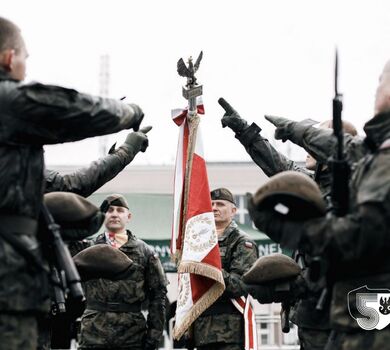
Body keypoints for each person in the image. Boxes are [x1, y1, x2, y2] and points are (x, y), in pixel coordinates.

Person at [0, 16, 145, 350]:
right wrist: (129, 115)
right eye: (24, 57)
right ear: (9, 58)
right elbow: (76, 111)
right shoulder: (10, 102)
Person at [248, 58, 390, 349]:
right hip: (353, 304)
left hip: (367, 299)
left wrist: (302, 232)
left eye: (381, 81)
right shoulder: (369, 157)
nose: (377, 89)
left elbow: (367, 236)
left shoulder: (378, 162)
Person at [219, 98, 358, 349]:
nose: (306, 146)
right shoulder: (310, 183)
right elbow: (275, 163)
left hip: (346, 314)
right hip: (313, 316)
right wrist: (243, 130)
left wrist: (293, 286)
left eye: (314, 139)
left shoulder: (356, 190)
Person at [78, 194, 168, 350]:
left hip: (132, 335)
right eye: (109, 210)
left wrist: (154, 337)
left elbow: (158, 296)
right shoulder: (87, 249)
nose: (114, 214)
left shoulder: (144, 252)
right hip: (93, 333)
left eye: (120, 210)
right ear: (102, 216)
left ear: (129, 216)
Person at [191, 188, 258, 350]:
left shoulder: (242, 242)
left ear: (233, 211)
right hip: (201, 329)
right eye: (211, 204)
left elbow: (240, 285)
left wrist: (208, 268)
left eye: (220, 204)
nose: (214, 208)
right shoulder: (198, 242)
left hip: (230, 331)